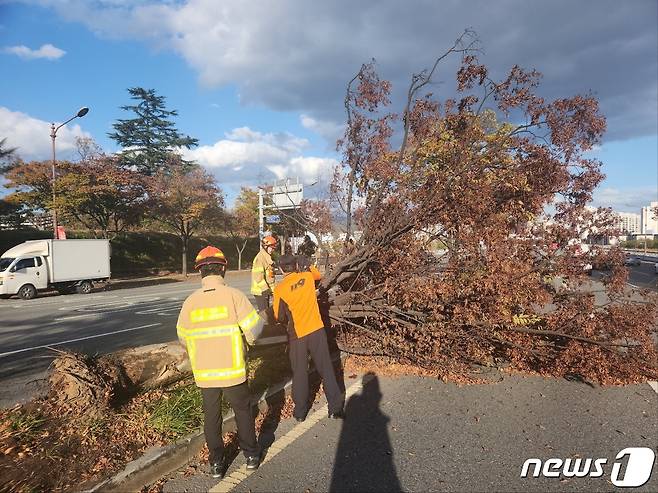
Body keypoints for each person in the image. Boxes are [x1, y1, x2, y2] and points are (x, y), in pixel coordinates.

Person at [176, 246, 264, 478]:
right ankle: (251, 456)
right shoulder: (234, 296)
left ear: (200, 272)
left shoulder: (190, 302)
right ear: (223, 268)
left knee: (211, 417)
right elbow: (255, 328)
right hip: (233, 369)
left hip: (205, 373)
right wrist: (250, 342)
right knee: (243, 412)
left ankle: (216, 463)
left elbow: (182, 337)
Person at [273, 255, 344, 422]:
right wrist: (306, 265)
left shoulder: (280, 289)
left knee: (300, 372)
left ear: (282, 269)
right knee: (326, 368)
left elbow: (278, 316)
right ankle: (335, 408)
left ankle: (300, 412)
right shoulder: (306, 277)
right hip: (317, 329)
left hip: (298, 335)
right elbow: (318, 275)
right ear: (295, 265)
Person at [251, 235, 277, 310]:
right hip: (260, 291)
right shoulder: (260, 258)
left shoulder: (267, 257)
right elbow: (258, 277)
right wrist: (265, 290)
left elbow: (269, 275)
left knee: (268, 312)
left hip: (267, 290)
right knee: (264, 314)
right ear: (266, 247)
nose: (272, 250)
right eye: (271, 248)